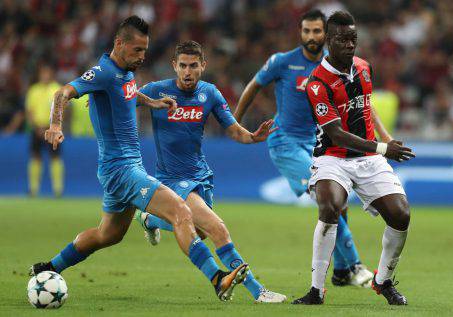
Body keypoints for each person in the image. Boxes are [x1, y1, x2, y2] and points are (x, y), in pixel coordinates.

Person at [29, 16, 251, 302]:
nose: (142, 56)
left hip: (122, 169)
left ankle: (48, 267)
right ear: (119, 44)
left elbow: (129, 94)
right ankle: (217, 278)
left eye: (145, 50)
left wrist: (153, 102)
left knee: (107, 235)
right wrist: (56, 125)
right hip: (122, 170)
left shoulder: (126, 72)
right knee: (181, 212)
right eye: (137, 50)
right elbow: (62, 93)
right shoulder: (104, 72)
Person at [233, 9, 379, 287]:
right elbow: (253, 86)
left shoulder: (332, 67)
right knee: (328, 200)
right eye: (306, 31)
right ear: (300, 33)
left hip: (319, 143)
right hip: (285, 143)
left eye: (317, 31)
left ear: (326, 34)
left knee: (339, 201)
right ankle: (357, 266)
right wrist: (235, 125)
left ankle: (340, 272)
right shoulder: (282, 62)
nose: (311, 37)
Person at [135, 40, 287, 303]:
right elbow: (126, 97)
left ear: (203, 66)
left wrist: (253, 137)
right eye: (182, 65)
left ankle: (149, 219)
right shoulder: (157, 91)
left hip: (200, 175)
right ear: (174, 65)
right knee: (218, 229)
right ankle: (258, 291)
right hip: (171, 179)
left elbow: (233, 130)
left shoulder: (210, 94)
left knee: (201, 232)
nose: (187, 71)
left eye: (193, 66)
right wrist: (104, 102)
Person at [291, 11, 415, 306]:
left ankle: (382, 281)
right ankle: (316, 290)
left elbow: (366, 107)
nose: (349, 44)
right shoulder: (317, 83)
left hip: (370, 157)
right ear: (327, 41)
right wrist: (384, 149)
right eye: (342, 39)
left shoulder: (364, 68)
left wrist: (385, 140)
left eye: (353, 39)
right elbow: (336, 134)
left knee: (401, 216)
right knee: (330, 207)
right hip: (333, 157)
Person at [25, 65, 64, 197]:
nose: (45, 76)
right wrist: (36, 127)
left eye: (47, 73)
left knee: (55, 157)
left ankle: (58, 189)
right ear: (40, 74)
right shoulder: (33, 90)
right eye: (43, 73)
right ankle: (33, 189)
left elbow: (60, 110)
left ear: (51, 74)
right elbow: (29, 111)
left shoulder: (57, 89)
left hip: (53, 129)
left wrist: (52, 127)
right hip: (36, 128)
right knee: (35, 156)